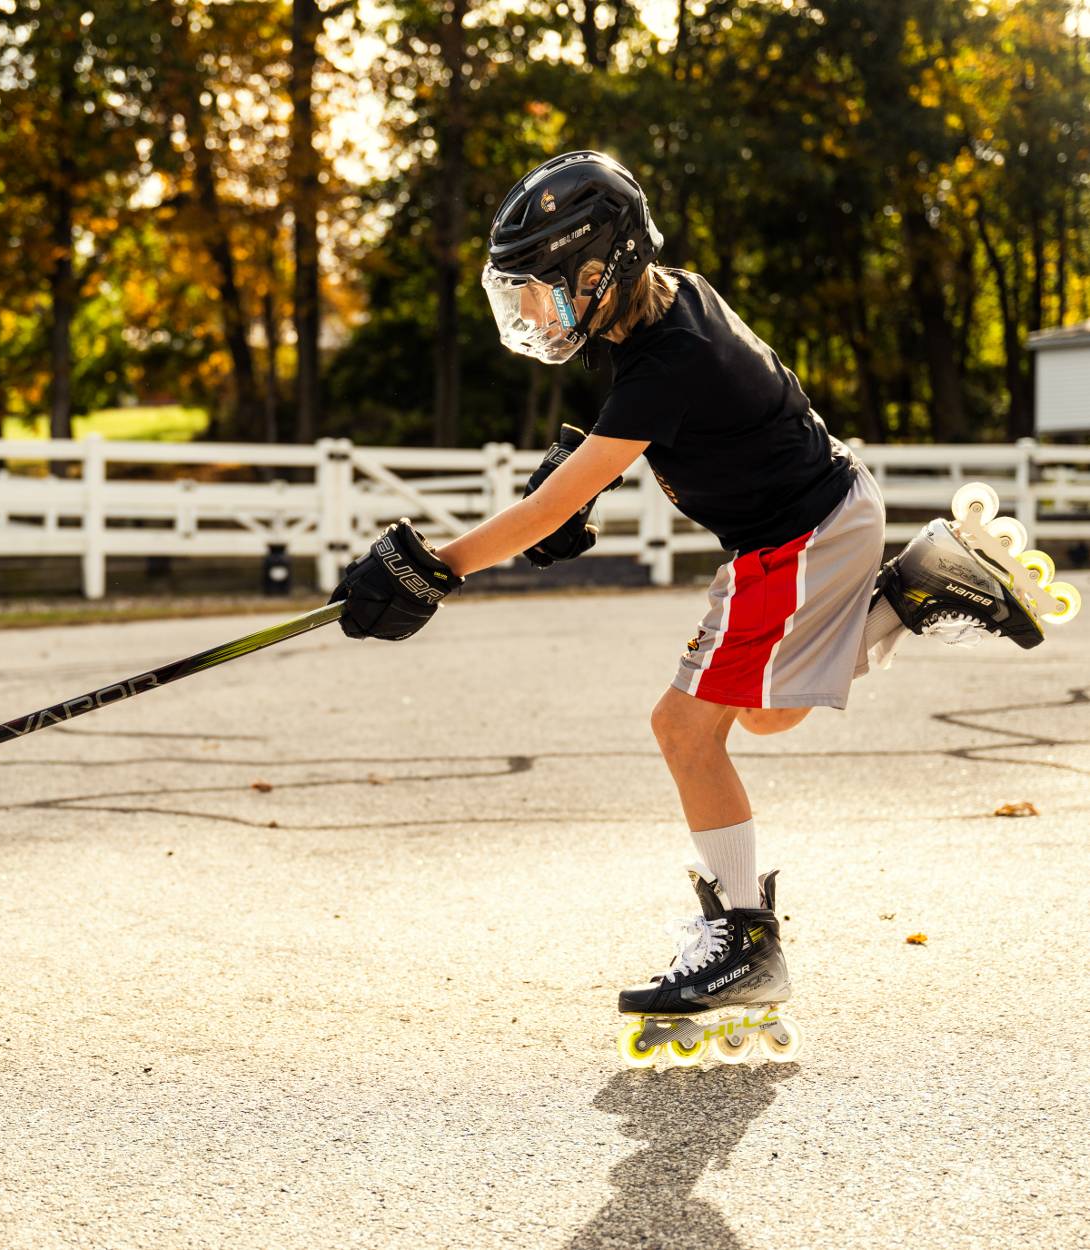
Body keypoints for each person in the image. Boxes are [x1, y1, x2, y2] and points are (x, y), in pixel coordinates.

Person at [327, 150, 1058, 1067]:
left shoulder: (664, 365)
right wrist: (580, 476)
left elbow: (566, 492)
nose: (532, 314)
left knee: (685, 728)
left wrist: (438, 566)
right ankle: (915, 591)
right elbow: (678, 431)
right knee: (768, 713)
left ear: (607, 271)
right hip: (811, 525)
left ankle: (746, 941)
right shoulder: (672, 306)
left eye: (549, 291)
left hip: (798, 540)